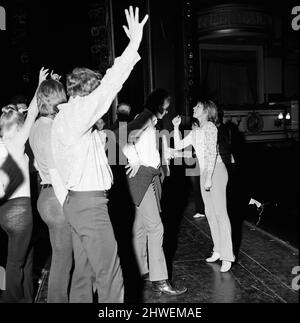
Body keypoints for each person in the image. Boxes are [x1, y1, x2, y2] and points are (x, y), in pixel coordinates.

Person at [51, 6, 149, 303]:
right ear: (86, 94)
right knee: (110, 275)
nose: (103, 105)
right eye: (95, 97)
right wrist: (132, 46)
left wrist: (68, 201)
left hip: (77, 201)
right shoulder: (78, 113)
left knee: (85, 274)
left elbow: (56, 169)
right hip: (88, 204)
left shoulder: (66, 120)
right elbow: (108, 87)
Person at [119, 88, 187, 296]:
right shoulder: (147, 117)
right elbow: (123, 136)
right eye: (165, 108)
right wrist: (134, 159)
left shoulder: (150, 120)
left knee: (140, 226)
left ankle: (142, 270)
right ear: (158, 106)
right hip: (143, 177)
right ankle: (159, 279)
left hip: (149, 176)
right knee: (156, 228)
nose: (166, 112)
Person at [0, 67, 48, 302]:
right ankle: (11, 299)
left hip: (4, 211)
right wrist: (39, 84)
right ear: (17, 125)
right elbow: (32, 113)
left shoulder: (0, 143)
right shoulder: (17, 142)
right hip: (20, 211)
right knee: (15, 263)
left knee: (26, 257)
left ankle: (26, 297)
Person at [173, 100, 235, 273]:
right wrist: (176, 128)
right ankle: (218, 249)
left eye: (198, 107)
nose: (193, 108)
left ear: (206, 111)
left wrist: (208, 178)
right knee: (209, 213)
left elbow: (211, 153)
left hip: (216, 172)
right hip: (205, 173)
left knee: (220, 213)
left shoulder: (209, 127)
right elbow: (178, 146)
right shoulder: (196, 130)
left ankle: (228, 256)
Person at [29, 72, 73, 303]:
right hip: (57, 196)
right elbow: (56, 171)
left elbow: (37, 163)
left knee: (61, 256)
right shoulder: (50, 130)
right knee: (64, 259)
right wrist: (68, 201)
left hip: (46, 195)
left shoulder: (37, 126)